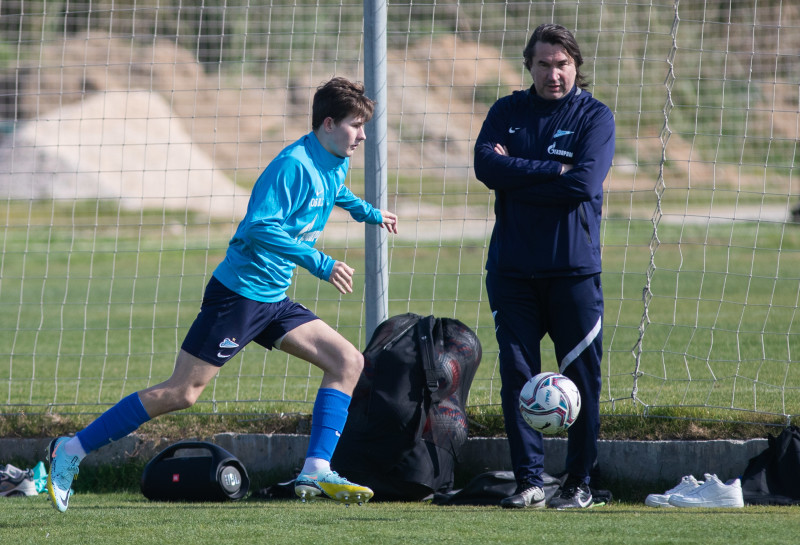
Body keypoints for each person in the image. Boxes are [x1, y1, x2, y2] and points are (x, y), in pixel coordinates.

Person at [46, 76, 399, 512]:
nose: (363, 135)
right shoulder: (292, 164)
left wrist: (370, 213)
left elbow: (334, 192)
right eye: (355, 125)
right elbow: (258, 226)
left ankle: (316, 469)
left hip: (272, 299)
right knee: (181, 393)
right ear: (328, 124)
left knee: (348, 361)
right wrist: (319, 262)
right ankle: (72, 450)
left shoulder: (335, 159)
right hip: (237, 297)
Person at [473, 23, 615, 509]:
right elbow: (485, 168)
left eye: (562, 64)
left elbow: (583, 185)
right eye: (543, 64)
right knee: (517, 374)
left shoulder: (594, 117)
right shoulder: (507, 112)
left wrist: (518, 174)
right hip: (512, 272)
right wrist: (553, 169)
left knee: (583, 380)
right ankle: (529, 482)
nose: (553, 73)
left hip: (572, 271)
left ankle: (579, 484)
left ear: (576, 66)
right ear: (528, 65)